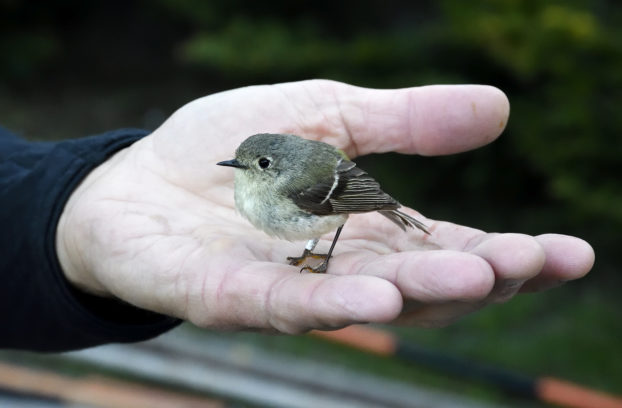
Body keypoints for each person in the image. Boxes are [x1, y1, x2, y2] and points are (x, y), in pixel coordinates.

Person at [0, 80, 595, 351]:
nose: (241, 169)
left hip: (340, 199)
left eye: (251, 163)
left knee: (330, 236)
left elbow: (346, 194)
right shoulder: (252, 187)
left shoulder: (303, 183)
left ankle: (318, 255)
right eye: (242, 162)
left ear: (273, 166)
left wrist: (376, 211)